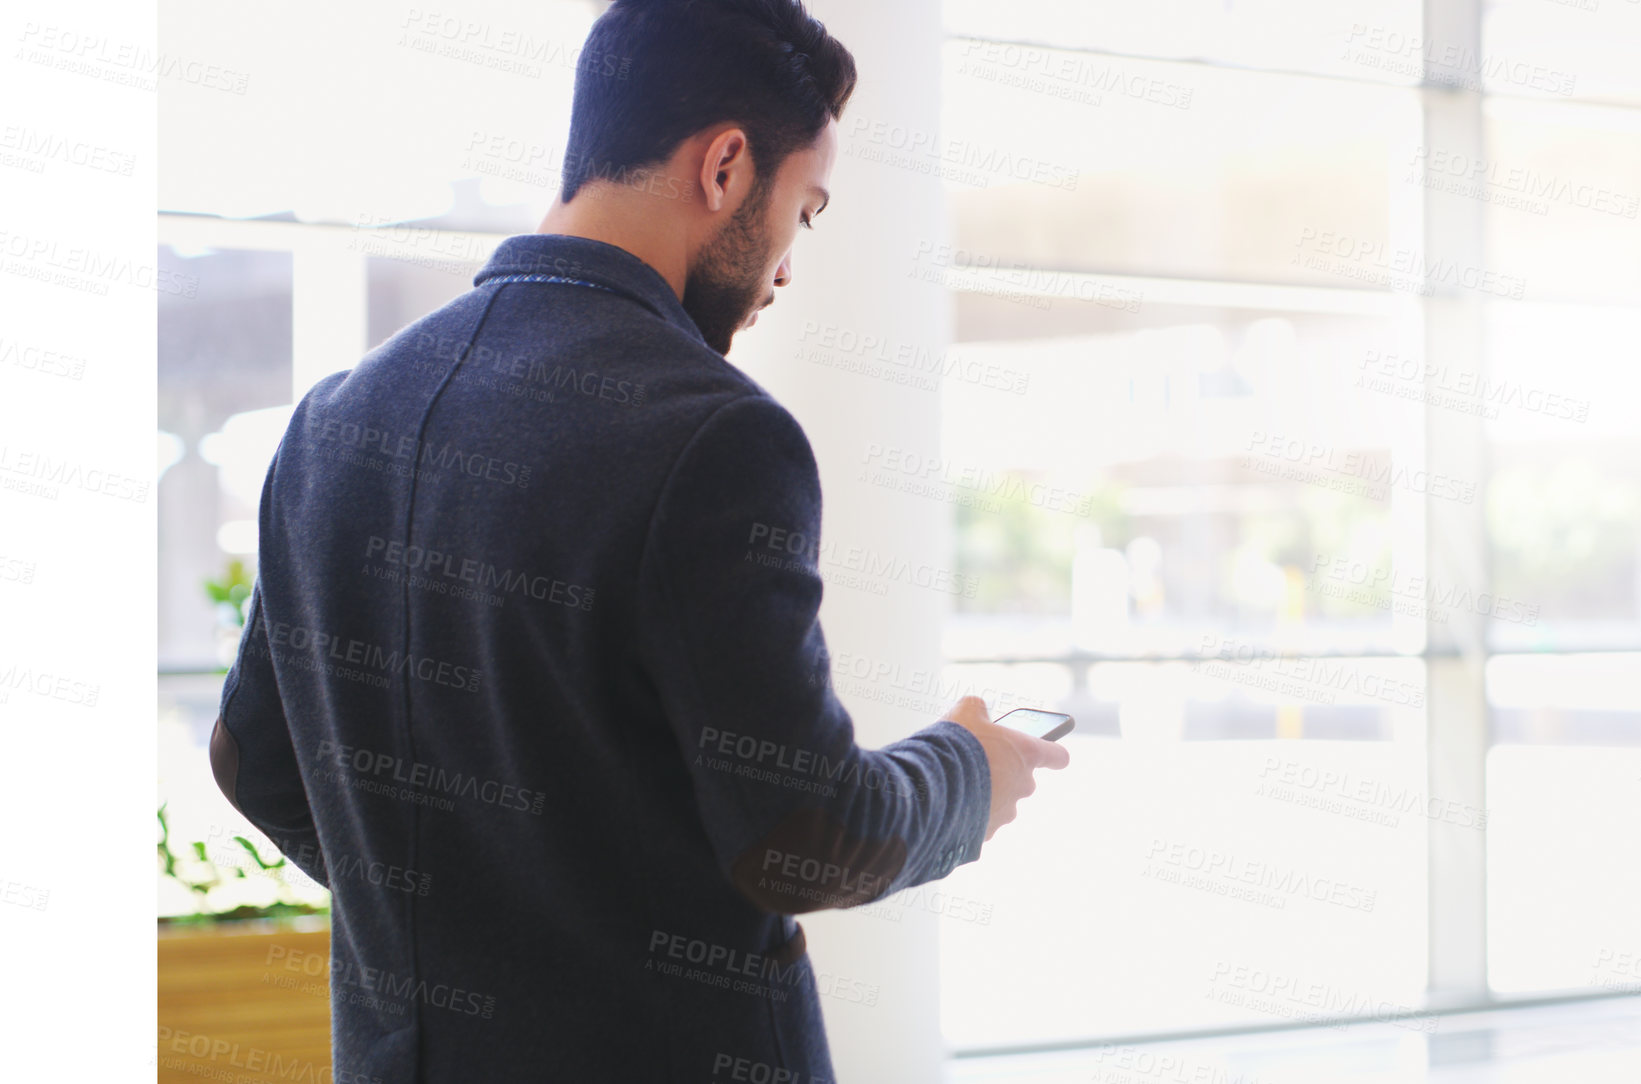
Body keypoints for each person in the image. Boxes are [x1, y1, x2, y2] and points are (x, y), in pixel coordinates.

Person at [206, 0, 1069, 1080]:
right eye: (804, 211)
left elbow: (251, 762)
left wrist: (460, 919)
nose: (789, 269)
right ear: (722, 167)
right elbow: (804, 831)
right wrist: (969, 774)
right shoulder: (714, 434)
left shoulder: (335, 419)